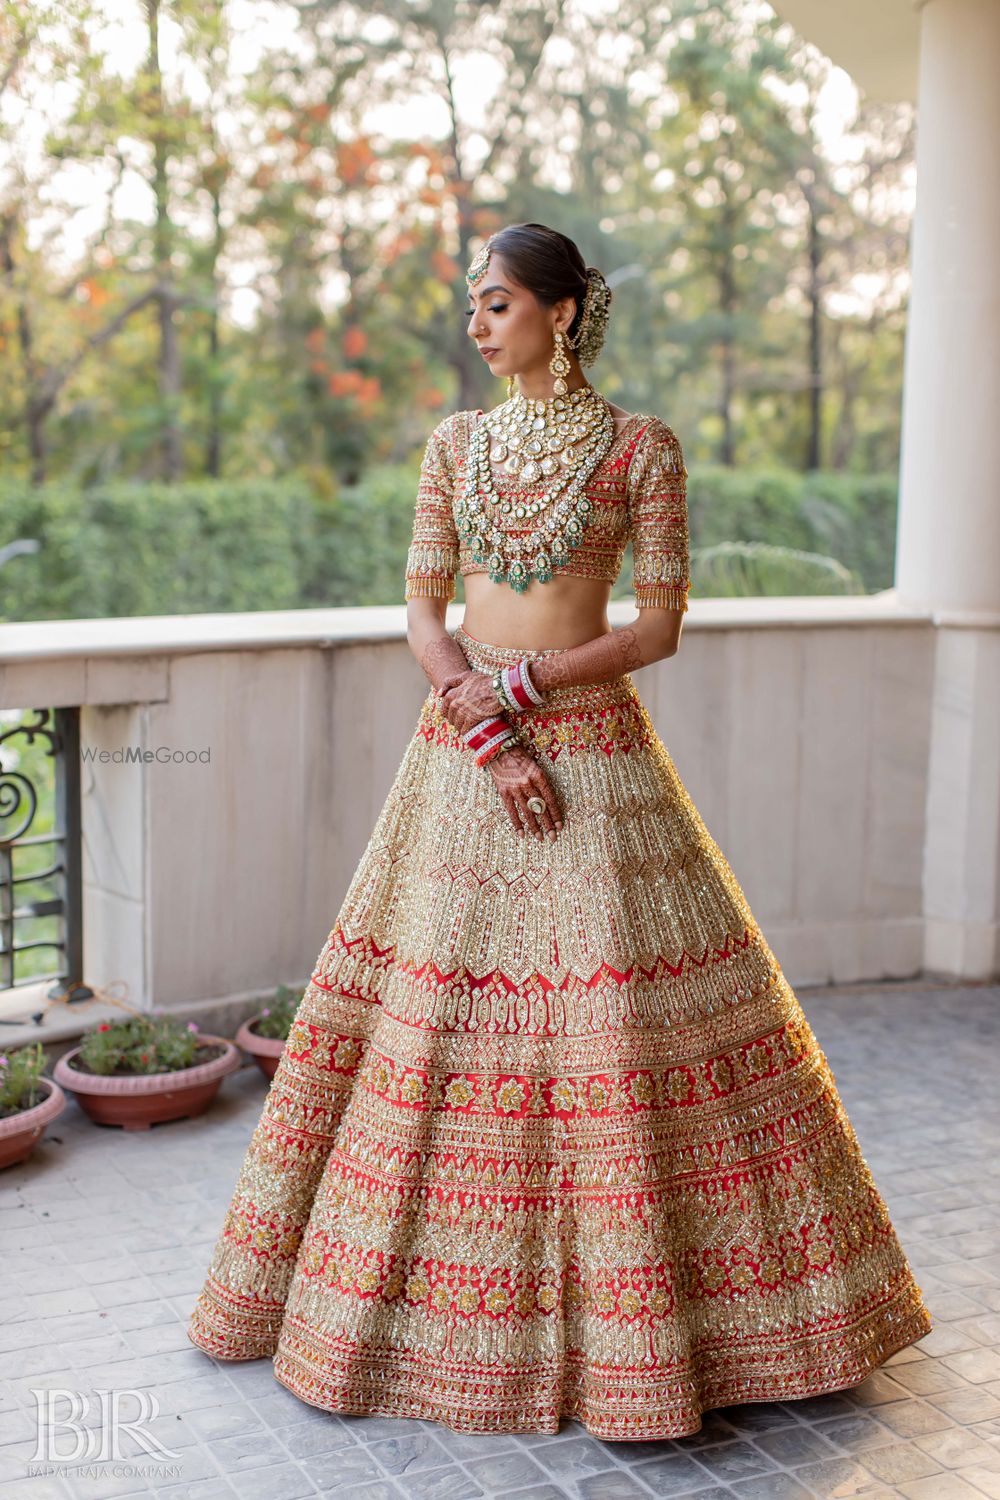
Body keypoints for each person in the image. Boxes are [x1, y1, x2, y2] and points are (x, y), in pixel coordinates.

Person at [187, 221, 933, 1441]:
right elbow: (422, 609)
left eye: (495, 304)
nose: (476, 327)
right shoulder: (455, 444)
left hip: (588, 744)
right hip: (461, 750)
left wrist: (527, 695)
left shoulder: (643, 448)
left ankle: (686, 1336)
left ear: (563, 311)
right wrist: (479, 721)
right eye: (472, 307)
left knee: (612, 1007)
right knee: (441, 1006)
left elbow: (659, 625)